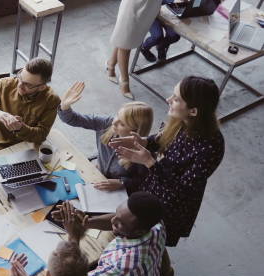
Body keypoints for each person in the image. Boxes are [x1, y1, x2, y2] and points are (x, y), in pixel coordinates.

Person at [109, 76, 225, 248]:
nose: (168, 100)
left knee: (153, 240)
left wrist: (149, 161)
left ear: (193, 111)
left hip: (171, 204)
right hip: (154, 186)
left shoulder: (210, 147)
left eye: (176, 99)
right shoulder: (180, 120)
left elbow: (182, 191)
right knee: (137, 231)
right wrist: (144, 141)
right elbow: (161, 139)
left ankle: (160, 269)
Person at [58, 81, 153, 193]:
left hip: (118, 191)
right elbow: (74, 119)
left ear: (135, 131)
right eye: (117, 115)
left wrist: (122, 183)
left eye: (122, 123)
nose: (114, 122)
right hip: (97, 175)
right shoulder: (107, 123)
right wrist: (64, 107)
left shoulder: (143, 152)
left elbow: (144, 181)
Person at [0, 57, 61, 155]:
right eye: (20, 78)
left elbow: (41, 135)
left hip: (24, 149)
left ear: (42, 87)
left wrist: (20, 128)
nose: (20, 85)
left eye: (28, 85)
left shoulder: (51, 100)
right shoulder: (4, 84)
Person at [107, 0, 163, 99]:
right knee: (125, 41)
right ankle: (124, 80)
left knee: (124, 38)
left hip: (150, 6)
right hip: (135, 5)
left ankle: (110, 65)